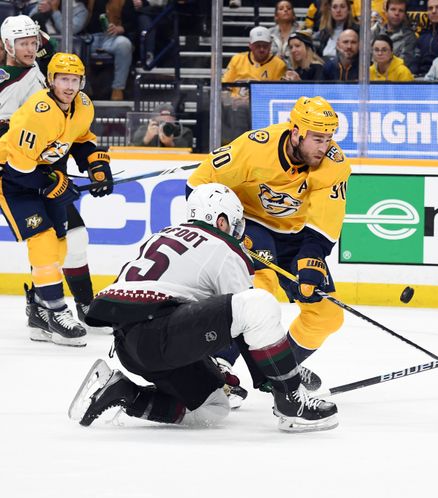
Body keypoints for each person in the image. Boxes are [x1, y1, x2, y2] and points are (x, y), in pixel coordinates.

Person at [69, 183, 338, 432]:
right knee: (260, 303)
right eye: (234, 224)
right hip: (159, 335)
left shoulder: (161, 236)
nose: (236, 231)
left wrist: (215, 370)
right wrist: (277, 377)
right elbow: (247, 322)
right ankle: (292, 403)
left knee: (213, 409)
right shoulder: (224, 246)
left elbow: (195, 315)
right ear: (221, 220)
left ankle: (126, 394)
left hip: (131, 346)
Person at [186, 96, 351, 390]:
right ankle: (219, 369)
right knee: (260, 290)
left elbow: (323, 224)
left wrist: (312, 261)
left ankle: (279, 369)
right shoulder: (254, 147)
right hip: (249, 223)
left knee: (327, 316)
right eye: (316, 138)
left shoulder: (334, 165)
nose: (324, 147)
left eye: (328, 139)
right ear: (296, 131)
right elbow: (198, 183)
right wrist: (222, 231)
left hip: (296, 234)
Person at [0, 53, 114, 346]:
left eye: (74, 79)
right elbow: (18, 171)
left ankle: (39, 308)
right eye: (63, 79)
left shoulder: (83, 105)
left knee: (65, 240)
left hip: (41, 175)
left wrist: (97, 166)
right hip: (11, 181)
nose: (69, 85)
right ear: (50, 80)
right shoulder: (36, 113)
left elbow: (81, 139)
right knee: (44, 240)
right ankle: (56, 310)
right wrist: (54, 182)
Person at [221, 26, 287, 143]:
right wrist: (231, 101)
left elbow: (278, 95)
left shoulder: (279, 65)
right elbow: (225, 87)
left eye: (265, 46)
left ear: (270, 45)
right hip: (236, 109)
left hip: (262, 109)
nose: (261, 49)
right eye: (257, 46)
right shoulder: (238, 59)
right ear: (250, 45)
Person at [84, 0, 135, 101]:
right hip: (90, 38)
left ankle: (118, 88)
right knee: (76, 45)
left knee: (124, 44)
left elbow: (133, 23)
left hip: (112, 37)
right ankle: (83, 87)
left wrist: (120, 28)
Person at [371, 0, 417, 68]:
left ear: (404, 14)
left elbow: (403, 64)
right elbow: (367, 58)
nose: (396, 13)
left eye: (401, 11)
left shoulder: (409, 37)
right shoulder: (376, 31)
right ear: (386, 12)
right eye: (393, 9)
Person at [412, 0, 438, 76]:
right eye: (430, 8)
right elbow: (415, 61)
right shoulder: (423, 36)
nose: (433, 11)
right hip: (421, 79)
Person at [265, 0, 304, 66]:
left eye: (289, 8)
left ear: (293, 15)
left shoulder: (301, 32)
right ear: (276, 16)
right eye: (281, 9)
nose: (285, 10)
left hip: (296, 71)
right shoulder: (268, 33)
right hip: (272, 71)